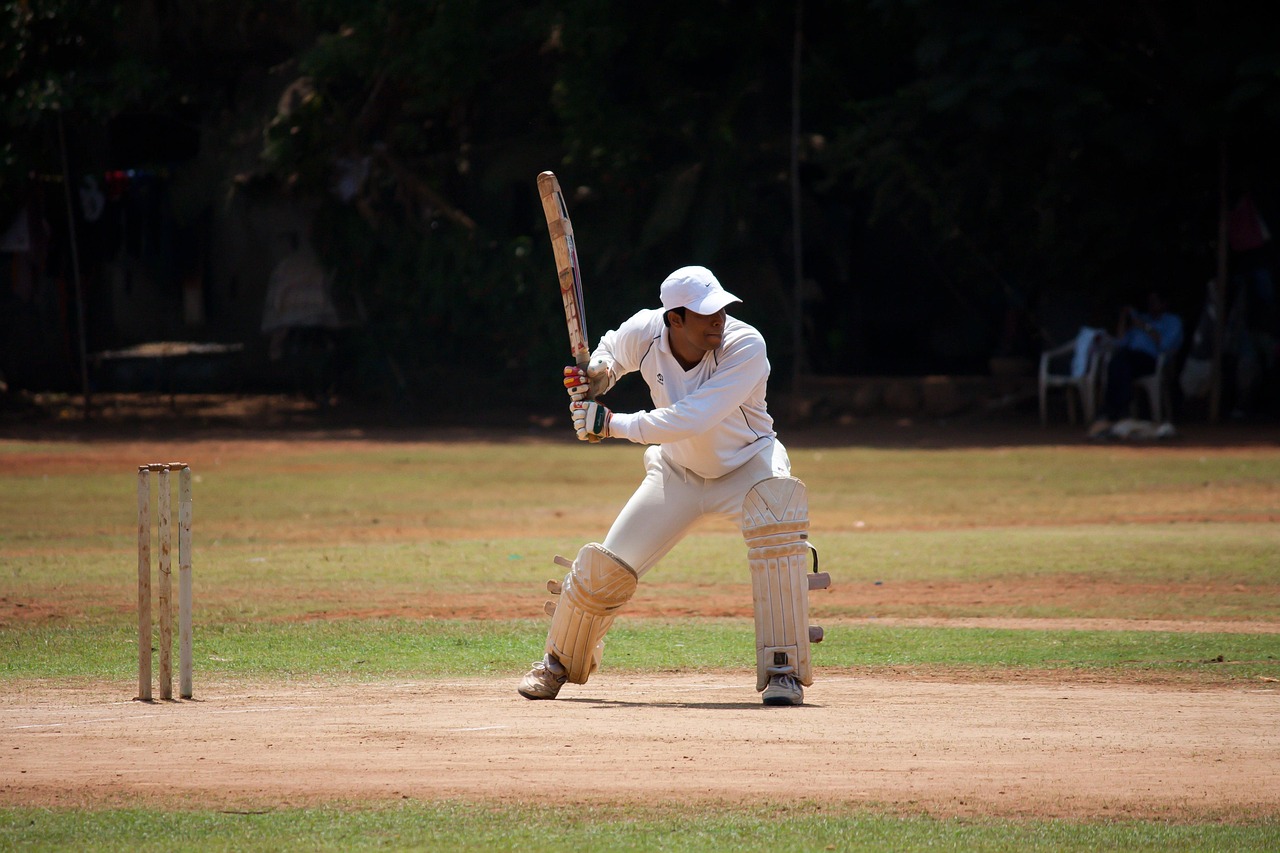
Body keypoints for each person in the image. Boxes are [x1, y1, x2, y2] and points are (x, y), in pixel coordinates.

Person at [518, 265, 826, 706]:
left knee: (778, 520)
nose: (717, 320)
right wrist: (599, 374)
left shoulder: (745, 344)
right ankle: (558, 663)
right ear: (674, 318)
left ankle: (785, 671)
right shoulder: (645, 330)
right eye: (705, 314)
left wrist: (609, 424)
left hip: (748, 465)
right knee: (606, 565)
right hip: (677, 473)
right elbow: (609, 351)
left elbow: (693, 417)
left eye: (720, 309)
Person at [1088, 289, 1184, 438]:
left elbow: (1165, 345)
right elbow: (1121, 342)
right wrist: (1124, 318)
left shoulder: (1172, 321)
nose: (1151, 305)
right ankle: (1120, 409)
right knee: (1118, 361)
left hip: (1151, 361)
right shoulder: (1140, 319)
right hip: (1128, 359)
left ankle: (1113, 410)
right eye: (1150, 302)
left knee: (1121, 362)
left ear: (1164, 303)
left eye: (1155, 301)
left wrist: (1144, 326)